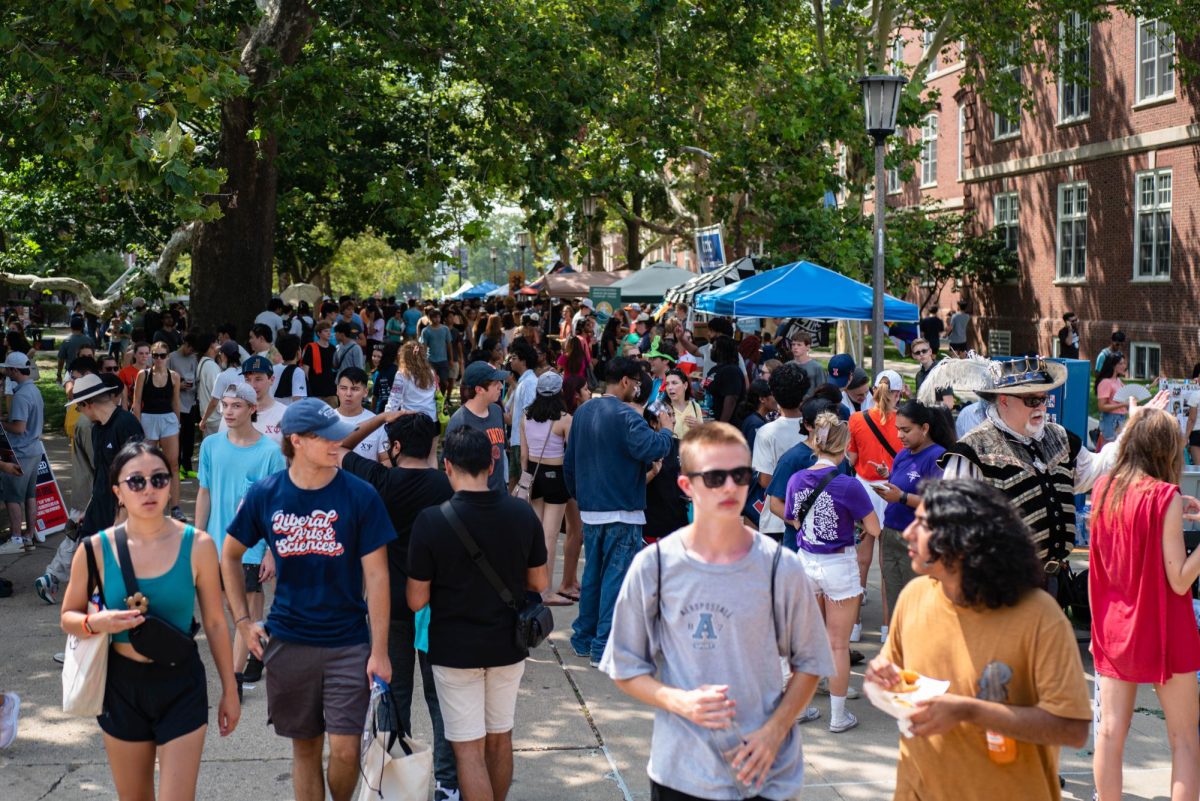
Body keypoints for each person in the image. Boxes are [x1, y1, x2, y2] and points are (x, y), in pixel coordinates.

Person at [601, 422, 835, 801]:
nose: (729, 487)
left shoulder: (781, 567)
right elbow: (625, 667)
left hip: (767, 771)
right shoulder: (655, 566)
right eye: (714, 477)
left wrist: (775, 731)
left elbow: (811, 663)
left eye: (740, 475)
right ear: (686, 486)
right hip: (683, 773)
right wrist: (680, 701)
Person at [865, 480, 1091, 801]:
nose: (907, 533)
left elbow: (1073, 728)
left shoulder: (1038, 616)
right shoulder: (914, 596)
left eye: (924, 525)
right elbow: (893, 670)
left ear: (963, 541)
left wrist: (969, 711)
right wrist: (881, 676)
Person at [221, 399, 396, 801]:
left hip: (348, 642)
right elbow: (229, 555)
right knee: (305, 748)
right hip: (288, 642)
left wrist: (380, 650)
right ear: (296, 441)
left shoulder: (360, 495)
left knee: (347, 750)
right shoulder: (267, 494)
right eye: (328, 437)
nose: (341, 442)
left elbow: (378, 575)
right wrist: (244, 622)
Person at [59, 440, 240, 800]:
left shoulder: (200, 545)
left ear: (171, 485)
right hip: (121, 686)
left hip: (181, 682)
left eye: (159, 479)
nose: (149, 490)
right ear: (118, 493)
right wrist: (99, 623)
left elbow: (217, 624)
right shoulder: (94, 549)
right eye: (136, 482)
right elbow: (68, 617)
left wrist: (230, 690)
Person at [408, 427, 548, 801]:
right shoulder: (522, 514)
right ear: (492, 463)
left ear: (447, 465)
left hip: (454, 650)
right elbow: (540, 581)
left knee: (467, 749)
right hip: (508, 644)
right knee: (500, 738)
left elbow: (416, 601)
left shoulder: (431, 521)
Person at [939, 357, 1168, 580]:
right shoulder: (973, 450)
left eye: (1043, 399)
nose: (1040, 406)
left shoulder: (1058, 436)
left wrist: (1133, 427)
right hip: (1000, 584)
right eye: (1031, 400)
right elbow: (953, 525)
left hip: (1052, 579)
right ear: (1004, 400)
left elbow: (1094, 472)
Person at [337, 411, 460, 801]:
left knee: (392, 694)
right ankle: (446, 782)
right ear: (432, 448)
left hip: (386, 604)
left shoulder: (379, 481)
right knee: (440, 698)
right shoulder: (447, 485)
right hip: (435, 606)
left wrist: (382, 418)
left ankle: (395, 774)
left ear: (395, 448)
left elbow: (339, 448)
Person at [1088, 408, 1200, 801]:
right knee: (1184, 739)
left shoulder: (1103, 489)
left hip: (1114, 627)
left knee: (1109, 732)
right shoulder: (1164, 496)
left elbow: (1098, 566)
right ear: (1165, 450)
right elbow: (1180, 577)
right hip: (1164, 629)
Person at [565, 357, 674, 666]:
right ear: (626, 381)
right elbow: (653, 448)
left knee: (593, 577)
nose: (637, 389)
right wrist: (667, 431)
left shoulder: (584, 412)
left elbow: (569, 462)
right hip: (621, 511)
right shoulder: (626, 416)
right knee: (614, 580)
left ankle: (584, 637)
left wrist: (581, 496)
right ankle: (603, 645)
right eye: (637, 383)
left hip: (592, 509)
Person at [784, 411, 880, 734]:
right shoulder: (848, 485)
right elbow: (874, 528)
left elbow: (793, 520)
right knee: (837, 644)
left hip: (806, 561)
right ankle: (838, 716)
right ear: (843, 448)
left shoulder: (797, 479)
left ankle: (800, 708)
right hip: (838, 564)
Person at [194, 382, 286, 695]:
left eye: (236, 405)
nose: (229, 411)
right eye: (225, 405)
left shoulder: (271, 452)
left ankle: (232, 679)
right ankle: (261, 644)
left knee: (243, 609)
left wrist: (272, 551)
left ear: (252, 409)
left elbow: (277, 508)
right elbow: (204, 492)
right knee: (230, 610)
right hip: (217, 542)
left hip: (251, 545)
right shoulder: (211, 446)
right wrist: (196, 535)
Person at [870, 400, 954, 634]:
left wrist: (903, 498)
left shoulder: (938, 456)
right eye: (898, 429)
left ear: (924, 428)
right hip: (890, 535)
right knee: (896, 598)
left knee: (918, 602)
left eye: (906, 430)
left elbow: (939, 504)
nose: (899, 435)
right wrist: (887, 479)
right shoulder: (903, 454)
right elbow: (902, 482)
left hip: (916, 540)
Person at [520, 371, 575, 606]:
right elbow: (571, 454)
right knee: (550, 535)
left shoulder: (525, 416)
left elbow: (523, 454)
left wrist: (526, 478)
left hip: (532, 473)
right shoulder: (565, 419)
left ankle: (529, 585)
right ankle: (545, 590)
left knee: (534, 533)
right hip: (556, 475)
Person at [752, 363, 810, 544]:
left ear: (774, 394)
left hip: (775, 518)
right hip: (810, 514)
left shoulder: (766, 432)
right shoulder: (814, 428)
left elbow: (765, 480)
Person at [132, 341, 186, 521]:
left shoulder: (174, 376)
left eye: (162, 355)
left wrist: (177, 423)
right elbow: (136, 402)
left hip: (168, 419)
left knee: (173, 464)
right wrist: (138, 425)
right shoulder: (143, 375)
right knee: (147, 464)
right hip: (148, 419)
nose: (159, 359)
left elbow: (175, 402)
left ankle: (175, 506)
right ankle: (148, 504)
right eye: (155, 355)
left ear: (168, 357)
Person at [0, 352, 44, 550]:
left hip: (20, 451)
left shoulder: (21, 395)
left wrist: (2, 424)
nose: (6, 371)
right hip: (34, 449)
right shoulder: (33, 389)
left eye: (8, 368)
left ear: (15, 370)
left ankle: (16, 539)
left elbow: (18, 428)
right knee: (29, 494)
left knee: (12, 497)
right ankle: (29, 535)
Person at [444, 360, 509, 493]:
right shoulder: (459, 422)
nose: (501, 387)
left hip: (499, 496)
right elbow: (452, 471)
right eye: (495, 383)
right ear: (479, 389)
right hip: (473, 502)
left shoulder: (497, 411)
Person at [219, 355, 286, 444]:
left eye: (258, 379)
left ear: (271, 380)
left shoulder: (285, 414)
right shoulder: (232, 412)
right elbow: (222, 444)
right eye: (248, 380)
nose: (252, 385)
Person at [505, 339, 540, 488]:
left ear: (523, 361)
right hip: (517, 441)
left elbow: (529, 413)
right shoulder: (523, 382)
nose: (510, 361)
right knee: (515, 484)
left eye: (514, 357)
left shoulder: (530, 382)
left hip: (523, 443)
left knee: (523, 486)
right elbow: (515, 416)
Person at [333, 367, 387, 462]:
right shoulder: (325, 421)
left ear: (365, 392)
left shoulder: (376, 423)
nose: (348, 394)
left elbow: (385, 459)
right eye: (343, 388)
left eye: (355, 389)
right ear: (337, 390)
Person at [167, 333, 199, 480]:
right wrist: (178, 386)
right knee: (177, 437)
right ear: (184, 343)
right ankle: (177, 466)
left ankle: (187, 466)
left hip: (190, 401)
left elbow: (196, 378)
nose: (190, 352)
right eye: (189, 348)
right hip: (177, 403)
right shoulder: (172, 358)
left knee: (189, 436)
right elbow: (166, 379)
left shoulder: (193, 359)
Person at [704, 335, 745, 424]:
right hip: (710, 421)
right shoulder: (714, 369)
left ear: (722, 350)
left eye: (714, 347)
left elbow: (731, 399)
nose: (711, 350)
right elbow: (707, 392)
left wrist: (722, 426)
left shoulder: (732, 371)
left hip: (726, 427)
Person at [1095, 351, 1128, 447]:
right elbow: (1101, 406)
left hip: (1120, 420)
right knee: (1110, 451)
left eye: (1124, 363)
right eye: (1120, 363)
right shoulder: (1106, 382)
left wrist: (1150, 386)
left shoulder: (1118, 380)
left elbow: (1129, 392)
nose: (1124, 366)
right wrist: (1122, 405)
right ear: (1113, 365)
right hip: (1111, 421)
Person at [302, 320, 338, 405]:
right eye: (326, 331)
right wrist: (306, 389)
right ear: (318, 333)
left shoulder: (333, 348)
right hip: (315, 390)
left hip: (330, 389)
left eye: (330, 331)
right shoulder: (311, 348)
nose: (329, 333)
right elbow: (305, 371)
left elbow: (335, 367)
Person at [194, 333, 222, 437]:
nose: (219, 344)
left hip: (209, 417)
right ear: (212, 345)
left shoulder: (203, 362)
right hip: (215, 418)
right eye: (217, 342)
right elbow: (217, 395)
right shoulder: (211, 366)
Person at [662, 368, 703, 439]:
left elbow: (702, 435)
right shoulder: (662, 409)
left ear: (685, 385)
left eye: (674, 383)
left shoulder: (695, 406)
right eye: (667, 384)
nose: (670, 387)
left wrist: (699, 427)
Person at [737, 379, 776, 452]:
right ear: (762, 399)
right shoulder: (756, 424)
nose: (776, 399)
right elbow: (754, 453)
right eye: (773, 395)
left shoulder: (754, 419)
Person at [271, 333, 308, 406]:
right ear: (298, 352)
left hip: (274, 411)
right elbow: (298, 400)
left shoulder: (273, 369)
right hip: (289, 413)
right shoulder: (298, 372)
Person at [421, 308, 454, 390]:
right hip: (431, 360)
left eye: (438, 317)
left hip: (443, 360)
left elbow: (449, 345)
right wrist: (423, 360)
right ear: (430, 318)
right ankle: (433, 399)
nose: (437, 319)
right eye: (434, 317)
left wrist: (451, 359)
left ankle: (441, 399)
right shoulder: (426, 331)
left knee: (444, 381)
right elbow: (424, 346)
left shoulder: (445, 329)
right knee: (432, 382)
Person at [56, 314, 95, 383]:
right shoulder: (89, 340)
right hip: (87, 373)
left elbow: (61, 360)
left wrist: (59, 374)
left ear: (71, 327)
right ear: (82, 327)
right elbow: (92, 358)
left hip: (71, 374)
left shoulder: (66, 341)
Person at [787, 331, 826, 398]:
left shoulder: (817, 367)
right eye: (793, 344)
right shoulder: (787, 366)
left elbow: (822, 390)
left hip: (811, 405)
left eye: (799, 345)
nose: (795, 347)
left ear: (807, 347)